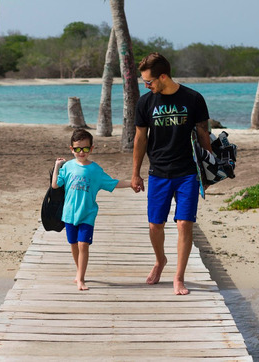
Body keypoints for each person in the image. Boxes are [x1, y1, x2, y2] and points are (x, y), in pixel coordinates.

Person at [131, 52, 212, 295]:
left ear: (163, 76)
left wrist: (207, 171)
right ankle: (160, 260)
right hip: (158, 172)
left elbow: (203, 135)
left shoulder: (194, 99)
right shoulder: (145, 103)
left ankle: (179, 277)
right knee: (155, 225)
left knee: (184, 224)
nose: (147, 86)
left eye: (149, 81)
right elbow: (140, 138)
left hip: (188, 172)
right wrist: (135, 173)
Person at [52, 129, 131, 291]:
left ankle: (81, 279)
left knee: (83, 245)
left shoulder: (95, 170)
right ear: (71, 149)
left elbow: (113, 183)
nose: (82, 152)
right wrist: (57, 166)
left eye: (85, 149)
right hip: (69, 214)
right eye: (78, 149)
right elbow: (55, 185)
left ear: (92, 149)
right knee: (73, 244)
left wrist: (132, 183)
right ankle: (79, 271)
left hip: (87, 214)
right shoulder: (67, 167)